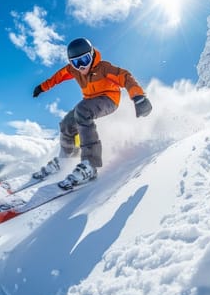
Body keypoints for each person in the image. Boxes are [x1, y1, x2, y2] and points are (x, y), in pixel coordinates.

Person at [32, 37, 152, 189]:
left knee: (82, 112)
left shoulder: (104, 68)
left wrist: (138, 97)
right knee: (67, 123)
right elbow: (58, 77)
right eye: (76, 62)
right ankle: (65, 159)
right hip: (89, 102)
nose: (82, 66)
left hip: (109, 99)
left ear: (92, 55)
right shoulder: (72, 70)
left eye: (85, 59)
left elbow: (125, 76)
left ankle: (90, 165)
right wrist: (42, 87)